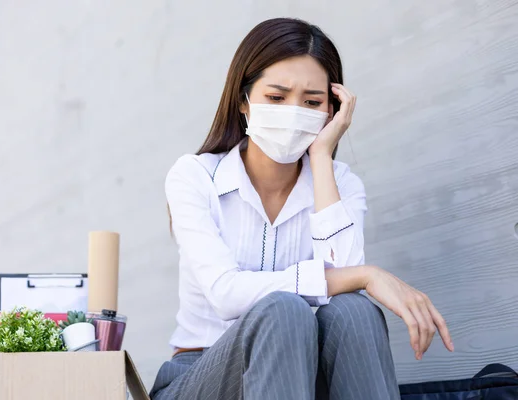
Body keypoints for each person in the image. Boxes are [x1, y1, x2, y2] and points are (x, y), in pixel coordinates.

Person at [150, 17, 454, 400]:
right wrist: (367, 275)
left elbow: (346, 280)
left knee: (354, 312)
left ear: (331, 112)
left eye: (311, 103)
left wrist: (322, 156)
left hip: (296, 381)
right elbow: (226, 294)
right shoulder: (195, 177)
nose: (294, 113)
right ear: (243, 101)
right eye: (276, 98)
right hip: (202, 378)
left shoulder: (341, 184)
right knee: (283, 310)